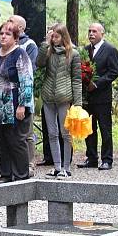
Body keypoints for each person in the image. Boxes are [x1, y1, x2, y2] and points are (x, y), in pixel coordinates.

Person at [0, 20, 34, 183]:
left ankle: (21, 175)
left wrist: (22, 105)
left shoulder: (20, 54)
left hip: (14, 107)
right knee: (1, 142)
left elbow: (26, 81)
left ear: (16, 37)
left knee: (16, 142)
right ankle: (6, 175)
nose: (3, 37)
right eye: (1, 33)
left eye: (8, 34)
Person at [37, 23, 82, 177]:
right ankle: (57, 166)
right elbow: (39, 63)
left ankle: (66, 167)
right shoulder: (48, 51)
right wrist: (45, 44)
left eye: (56, 36)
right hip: (48, 96)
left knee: (66, 133)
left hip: (65, 97)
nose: (54, 39)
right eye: (52, 36)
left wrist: (78, 103)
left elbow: (77, 80)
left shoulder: (73, 54)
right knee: (52, 133)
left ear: (64, 36)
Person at [78, 23, 118, 170]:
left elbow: (114, 71)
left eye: (94, 31)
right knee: (89, 128)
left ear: (102, 33)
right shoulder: (85, 50)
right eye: (89, 31)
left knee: (105, 129)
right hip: (87, 97)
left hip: (102, 96)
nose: (91, 34)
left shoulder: (110, 50)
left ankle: (107, 159)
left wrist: (97, 83)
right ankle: (91, 157)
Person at [7, 15, 40, 172]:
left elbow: (31, 70)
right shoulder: (4, 42)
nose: (8, 23)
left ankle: (29, 163)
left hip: (22, 93)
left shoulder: (29, 44)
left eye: (11, 21)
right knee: (7, 132)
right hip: (5, 95)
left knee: (26, 133)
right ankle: (9, 164)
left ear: (20, 28)